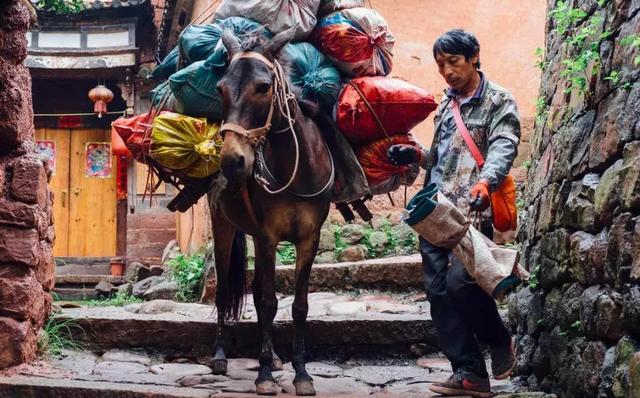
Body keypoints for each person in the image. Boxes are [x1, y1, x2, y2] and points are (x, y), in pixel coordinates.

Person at [388, 29, 520, 398]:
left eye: (454, 62)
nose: (446, 71)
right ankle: (469, 373)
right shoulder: (446, 106)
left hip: (474, 210)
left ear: (474, 56)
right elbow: (441, 160)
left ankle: (498, 339)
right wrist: (416, 156)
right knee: (437, 291)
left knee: (461, 283)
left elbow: (504, 145)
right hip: (436, 212)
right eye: (441, 65)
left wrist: (487, 181)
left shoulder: (498, 101)